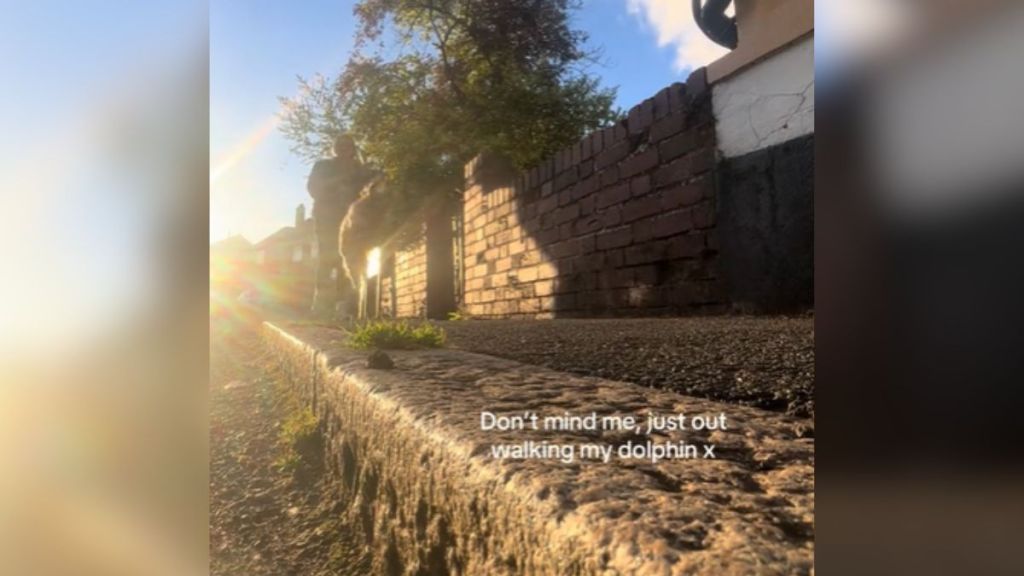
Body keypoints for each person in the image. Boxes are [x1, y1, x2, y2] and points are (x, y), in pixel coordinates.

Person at [307, 133, 375, 317]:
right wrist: (338, 182)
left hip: (353, 221)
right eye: (340, 145)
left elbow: (370, 191)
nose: (344, 148)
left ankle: (346, 305)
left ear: (353, 149)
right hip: (327, 219)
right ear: (334, 148)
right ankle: (321, 305)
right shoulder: (323, 166)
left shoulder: (360, 169)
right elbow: (313, 188)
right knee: (327, 257)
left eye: (348, 145)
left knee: (351, 259)